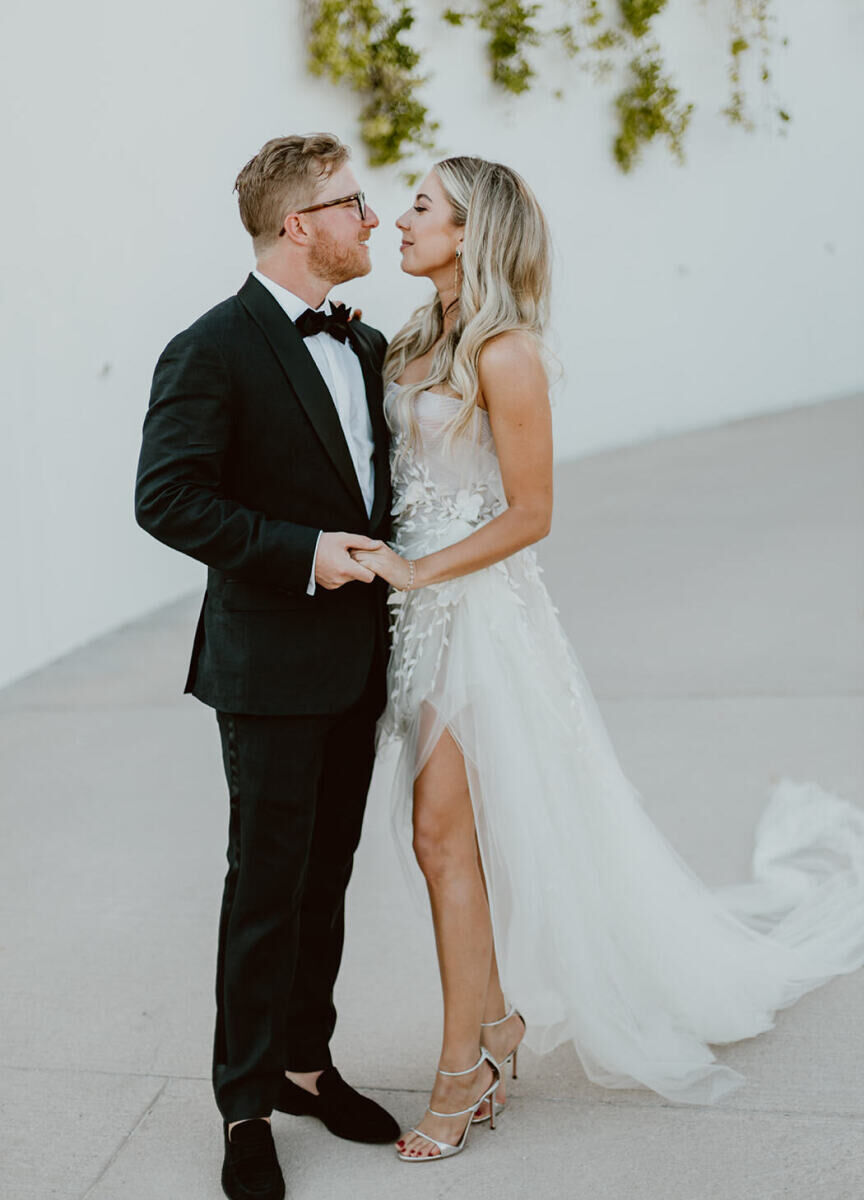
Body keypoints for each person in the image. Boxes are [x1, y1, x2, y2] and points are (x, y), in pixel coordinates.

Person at [351, 155, 864, 1162]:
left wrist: (419, 577)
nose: (399, 220)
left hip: (477, 622)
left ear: (471, 233)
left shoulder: (504, 352)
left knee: (440, 834)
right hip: (415, 621)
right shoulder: (412, 339)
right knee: (440, 838)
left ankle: (469, 1064)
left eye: (421, 208)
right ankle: (493, 1027)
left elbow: (533, 514)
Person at [135, 134, 399, 1200]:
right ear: (301, 225)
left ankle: (304, 1062)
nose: (372, 219)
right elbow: (168, 498)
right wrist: (301, 554)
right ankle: (245, 1106)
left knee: (326, 880)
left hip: (359, 663)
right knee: (265, 889)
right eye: (354, 202)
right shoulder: (209, 349)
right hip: (268, 669)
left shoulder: (369, 340)